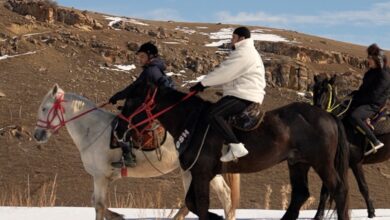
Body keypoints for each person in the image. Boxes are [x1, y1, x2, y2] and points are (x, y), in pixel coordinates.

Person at [190, 26, 266, 162]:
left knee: (213, 114)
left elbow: (225, 72)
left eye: (233, 37)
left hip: (244, 95)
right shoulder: (246, 51)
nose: (231, 40)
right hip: (242, 92)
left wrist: (202, 84)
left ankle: (236, 147)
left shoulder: (245, 53)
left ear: (242, 38)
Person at [109, 42, 172, 167]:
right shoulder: (155, 69)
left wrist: (116, 97)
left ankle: (128, 158)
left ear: (150, 56)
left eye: (142, 56)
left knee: (119, 126)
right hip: (150, 106)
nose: (140, 59)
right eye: (139, 56)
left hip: (149, 109)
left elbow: (132, 88)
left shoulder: (150, 71)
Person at [348, 43, 390, 155]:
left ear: (377, 59)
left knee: (354, 116)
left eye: (370, 58)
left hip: (374, 105)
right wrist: (354, 94)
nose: (368, 60)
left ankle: (374, 141)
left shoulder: (384, 75)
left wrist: (358, 99)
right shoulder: (370, 72)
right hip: (365, 101)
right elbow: (363, 89)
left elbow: (374, 96)